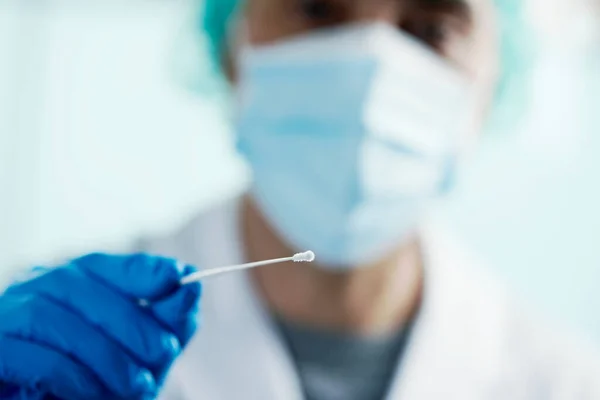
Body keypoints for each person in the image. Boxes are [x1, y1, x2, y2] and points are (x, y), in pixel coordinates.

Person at [1, 0, 599, 399]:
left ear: (494, 84)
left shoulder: (563, 382)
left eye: (430, 27)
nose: (372, 67)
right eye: (316, 6)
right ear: (230, 51)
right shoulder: (63, 338)